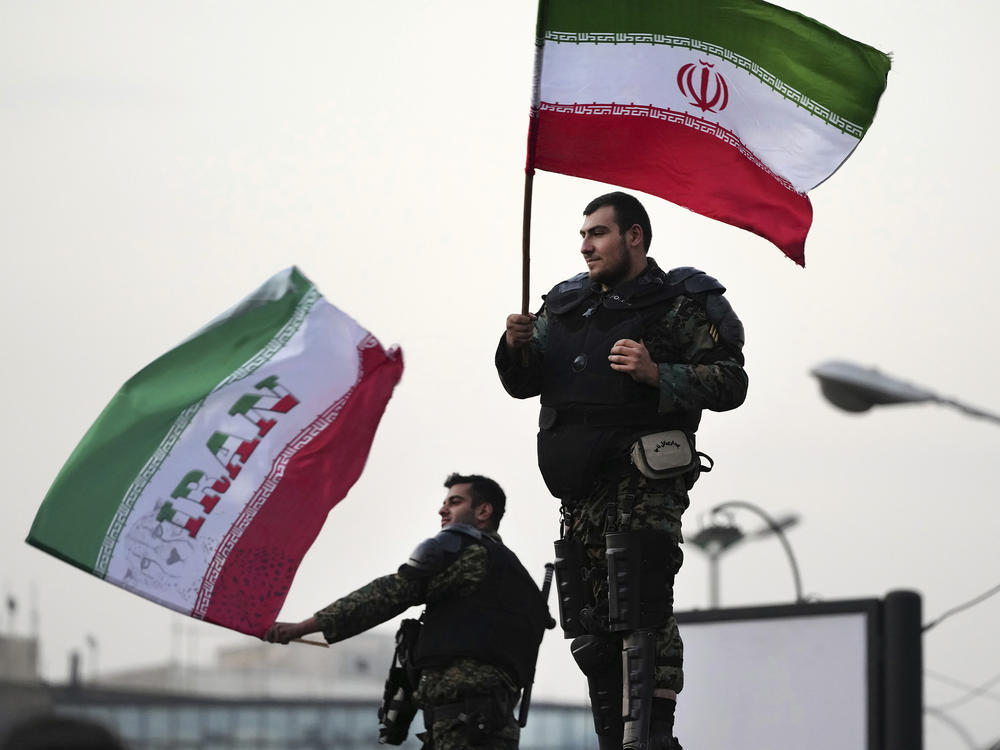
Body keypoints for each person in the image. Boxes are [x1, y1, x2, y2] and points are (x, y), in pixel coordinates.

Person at [496, 192, 748, 750]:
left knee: (640, 602)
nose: (586, 246)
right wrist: (514, 348)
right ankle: (615, 737)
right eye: (583, 235)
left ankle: (653, 736)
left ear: (634, 236)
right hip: (578, 489)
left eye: (598, 233)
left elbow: (732, 383)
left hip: (643, 480)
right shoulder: (565, 306)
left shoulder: (676, 303)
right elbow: (523, 382)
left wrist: (659, 372)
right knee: (588, 621)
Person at [264, 473, 550, 750]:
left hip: (464, 720)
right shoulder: (513, 573)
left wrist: (302, 627)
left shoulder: (469, 554)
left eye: (455, 501)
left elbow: (389, 593)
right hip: (491, 719)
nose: (443, 509)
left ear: (483, 511)